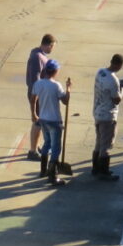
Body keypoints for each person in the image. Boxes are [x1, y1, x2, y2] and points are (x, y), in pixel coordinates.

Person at [31, 60, 71, 185]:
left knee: (46, 143)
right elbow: (65, 101)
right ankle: (53, 176)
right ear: (55, 71)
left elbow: (33, 99)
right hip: (54, 120)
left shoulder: (38, 83)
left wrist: (33, 113)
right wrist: (68, 88)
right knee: (55, 148)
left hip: (43, 119)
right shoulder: (56, 85)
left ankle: (43, 170)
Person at [92, 54, 123, 182]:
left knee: (99, 142)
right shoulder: (113, 80)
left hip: (97, 112)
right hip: (108, 116)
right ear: (119, 65)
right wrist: (122, 89)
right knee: (106, 145)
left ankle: (95, 168)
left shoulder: (100, 72)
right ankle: (103, 171)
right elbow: (117, 100)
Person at [23, 33, 56, 161]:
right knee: (38, 122)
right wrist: (36, 99)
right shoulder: (37, 57)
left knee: (41, 122)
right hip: (37, 95)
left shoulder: (38, 54)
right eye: (52, 47)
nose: (52, 49)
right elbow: (35, 82)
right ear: (49, 45)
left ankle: (37, 147)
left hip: (39, 95)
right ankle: (32, 151)